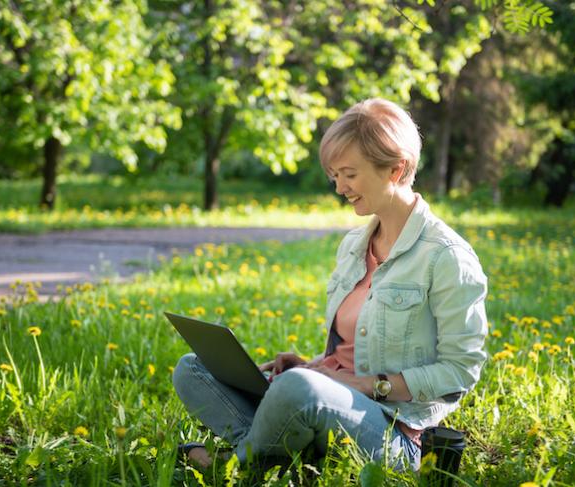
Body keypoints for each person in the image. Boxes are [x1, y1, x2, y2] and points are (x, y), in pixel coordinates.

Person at [172, 98, 488, 471]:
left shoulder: (447, 256)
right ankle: (274, 446)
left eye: (349, 174)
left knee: (298, 390)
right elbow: (354, 348)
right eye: (335, 175)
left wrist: (365, 384)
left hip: (392, 430)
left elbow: (461, 370)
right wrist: (314, 366)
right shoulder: (354, 246)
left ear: (395, 168)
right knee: (192, 368)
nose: (340, 187)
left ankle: (232, 468)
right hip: (331, 403)